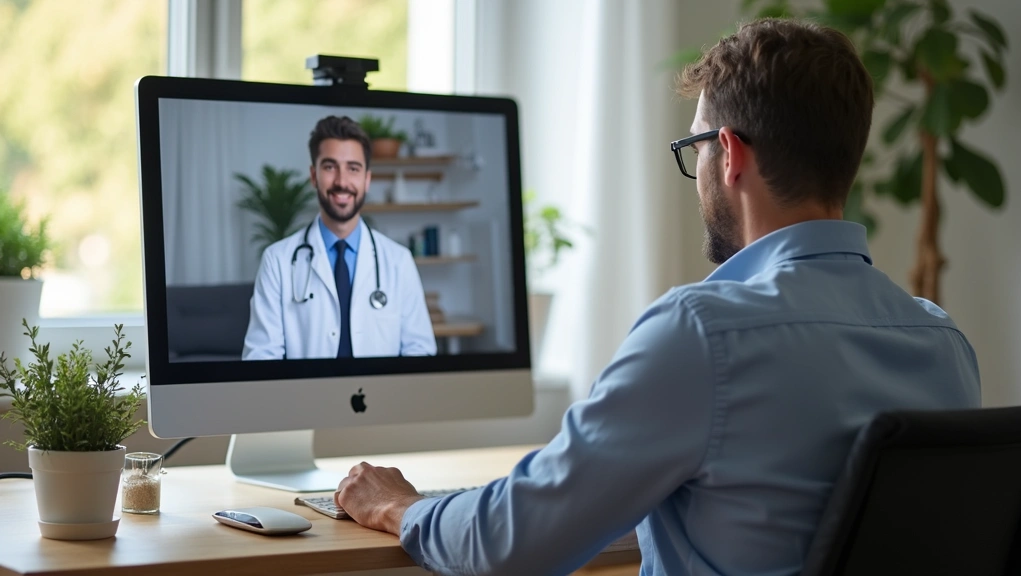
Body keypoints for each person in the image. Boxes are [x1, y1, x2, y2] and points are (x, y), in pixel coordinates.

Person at [330, 19, 981, 575]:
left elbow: (511, 544)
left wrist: (398, 506)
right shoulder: (944, 344)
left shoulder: (704, 333)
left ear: (728, 154)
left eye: (694, 145)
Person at [243, 116, 436, 360]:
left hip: (382, 398)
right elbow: (261, 358)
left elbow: (420, 351)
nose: (342, 181)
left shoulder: (399, 261)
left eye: (353, 168)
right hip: (305, 398)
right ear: (314, 176)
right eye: (330, 167)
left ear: (367, 180)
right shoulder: (277, 261)